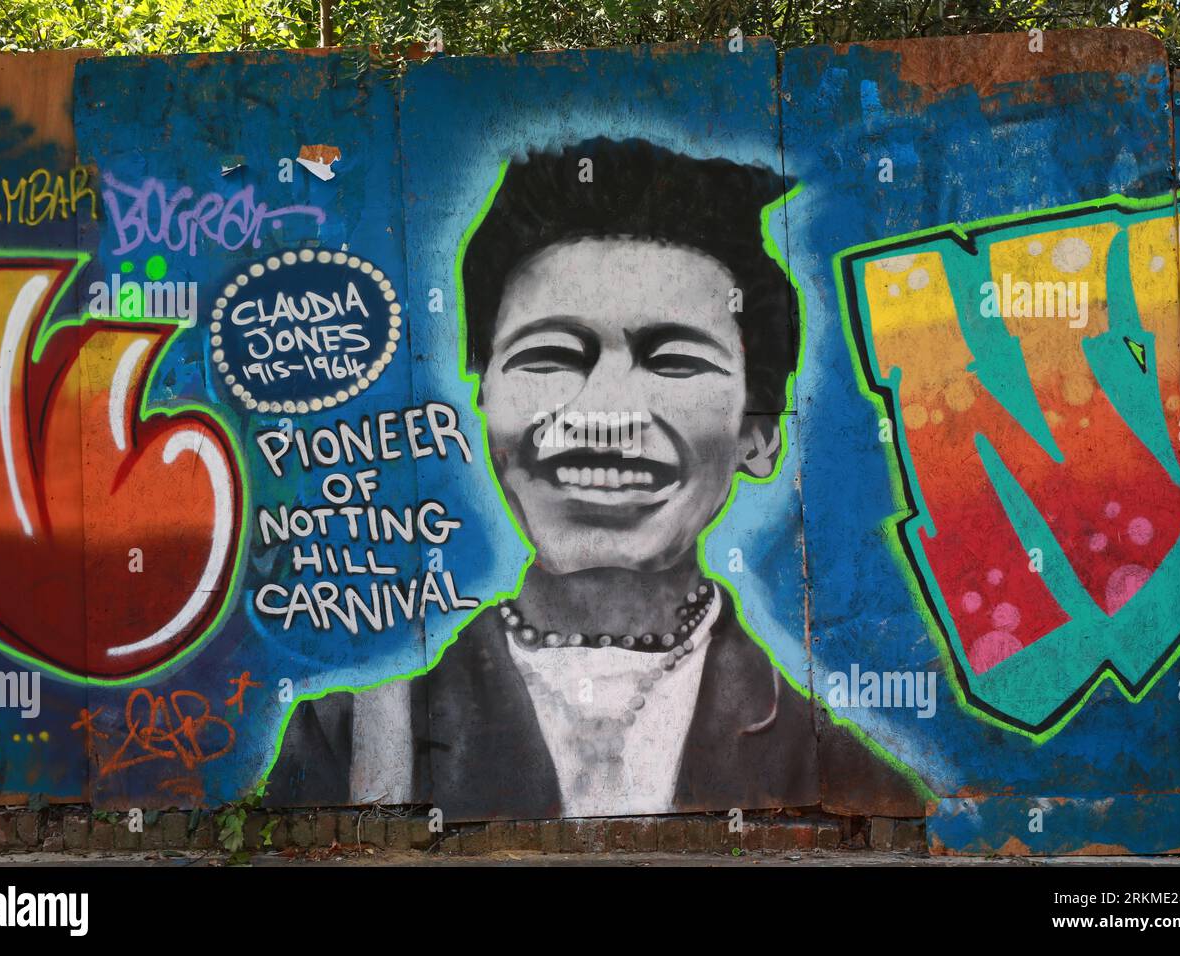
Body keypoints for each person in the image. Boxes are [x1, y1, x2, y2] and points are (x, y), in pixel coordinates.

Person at [265, 138, 925, 820]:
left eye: (673, 360)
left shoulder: (845, 781)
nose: (604, 413)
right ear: (484, 399)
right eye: (550, 354)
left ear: (757, 434)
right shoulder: (354, 745)